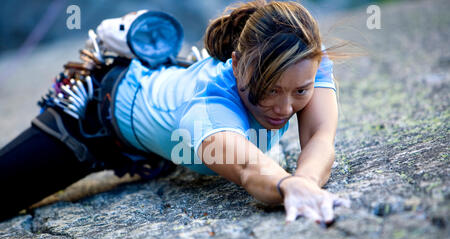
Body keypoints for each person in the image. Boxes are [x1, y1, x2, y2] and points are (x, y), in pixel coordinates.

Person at [0, 0, 350, 225]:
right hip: (89, 121)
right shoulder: (208, 106)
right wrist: (289, 185)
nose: (285, 108)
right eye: (269, 89)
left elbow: (320, 137)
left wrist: (305, 182)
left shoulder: (309, 60)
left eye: (299, 91)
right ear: (236, 64)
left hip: (155, 142)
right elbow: (248, 168)